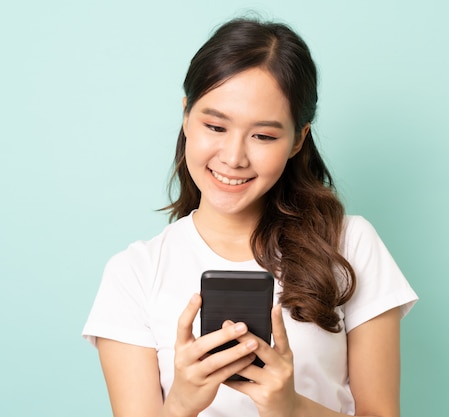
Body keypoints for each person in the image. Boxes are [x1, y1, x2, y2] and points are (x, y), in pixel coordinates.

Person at [83, 17, 417, 417]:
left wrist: (290, 407)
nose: (234, 157)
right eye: (215, 125)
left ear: (298, 139)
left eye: (263, 136)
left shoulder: (350, 245)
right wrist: (181, 405)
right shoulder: (134, 274)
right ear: (186, 115)